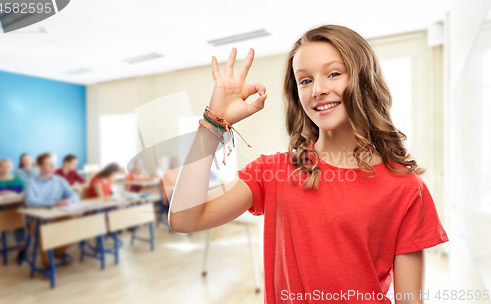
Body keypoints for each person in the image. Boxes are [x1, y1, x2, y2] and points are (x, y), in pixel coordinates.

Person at [168, 25, 449, 304]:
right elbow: (184, 218)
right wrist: (212, 124)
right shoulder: (274, 172)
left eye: (334, 74)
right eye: (305, 80)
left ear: (363, 80)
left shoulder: (406, 188)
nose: (318, 90)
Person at [24, 152, 79, 268]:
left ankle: (57, 252)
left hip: (58, 214)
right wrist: (54, 203)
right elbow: (29, 202)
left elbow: (74, 195)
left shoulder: (60, 180)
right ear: (39, 166)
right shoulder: (31, 182)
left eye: (53, 164)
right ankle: (47, 264)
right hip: (37, 219)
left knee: (77, 225)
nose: (52, 167)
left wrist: (70, 201)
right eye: (48, 164)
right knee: (46, 230)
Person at [0, 158, 26, 263]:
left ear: (11, 168)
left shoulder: (18, 180)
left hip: (16, 209)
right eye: (2, 166)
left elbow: (24, 194)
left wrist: (13, 194)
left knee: (18, 221)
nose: (5, 169)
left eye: (8, 166)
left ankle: (22, 247)